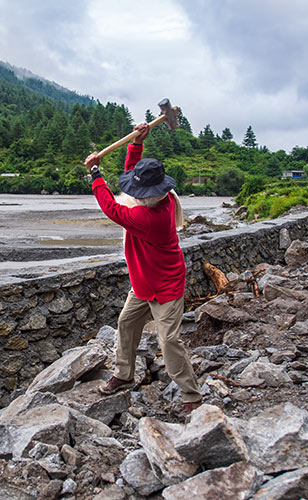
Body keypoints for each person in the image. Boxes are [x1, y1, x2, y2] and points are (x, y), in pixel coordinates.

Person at [85, 123, 202, 418]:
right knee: (126, 323)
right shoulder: (158, 199)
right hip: (143, 283)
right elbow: (133, 178)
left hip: (166, 286)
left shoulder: (149, 218)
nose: (135, 191)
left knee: (170, 340)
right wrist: (136, 144)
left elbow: (111, 207)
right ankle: (124, 374)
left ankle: (191, 395)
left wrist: (95, 174)